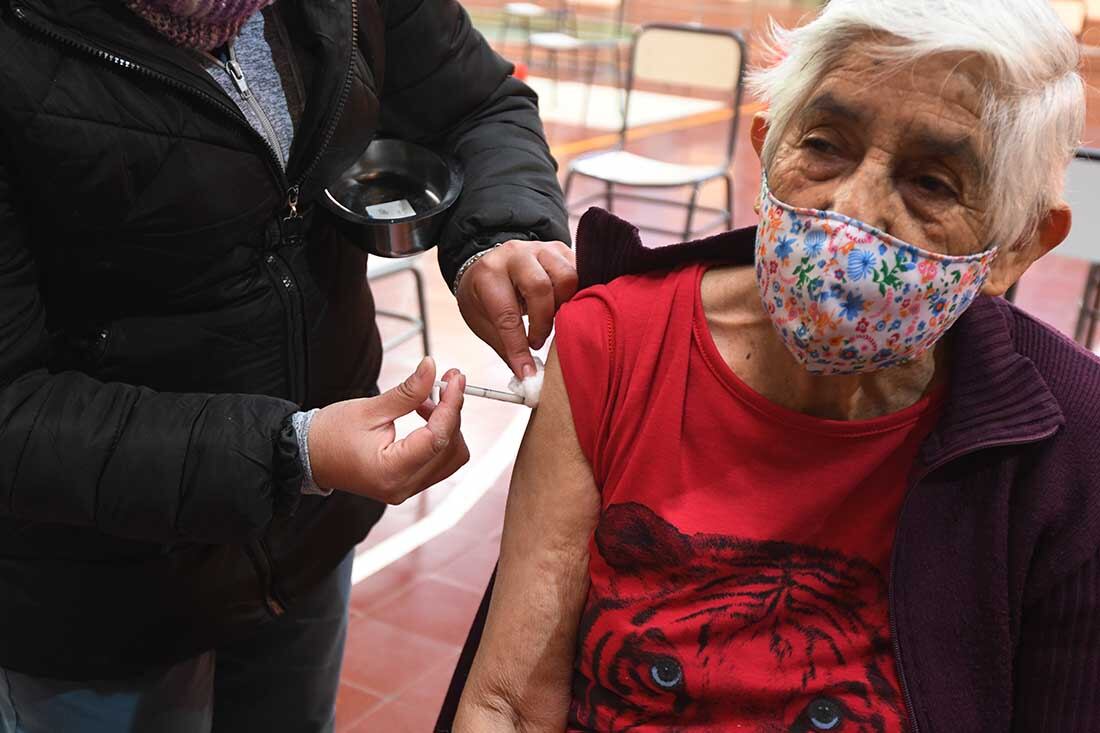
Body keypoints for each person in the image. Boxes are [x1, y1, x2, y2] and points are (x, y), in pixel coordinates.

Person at [453, 0, 1100, 730]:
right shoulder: (618, 341)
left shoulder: (1073, 447)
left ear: (1018, 245)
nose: (850, 210)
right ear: (768, 143)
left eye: (933, 183)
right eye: (825, 144)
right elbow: (506, 703)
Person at [0, 0, 573, 730]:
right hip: (95, 597)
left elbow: (478, 103)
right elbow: (11, 407)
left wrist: (502, 230)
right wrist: (291, 450)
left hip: (305, 542)